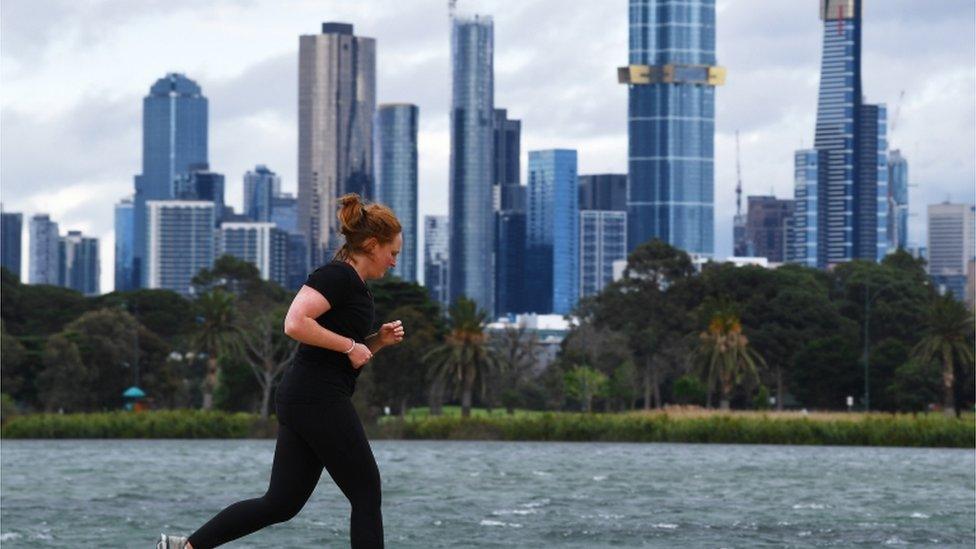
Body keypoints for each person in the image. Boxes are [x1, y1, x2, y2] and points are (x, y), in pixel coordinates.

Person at [157, 193, 405, 549]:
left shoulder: (355, 285)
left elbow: (341, 350)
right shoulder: (337, 275)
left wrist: (374, 341)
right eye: (392, 253)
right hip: (316, 398)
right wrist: (351, 346)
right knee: (366, 493)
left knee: (282, 503)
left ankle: (186, 548)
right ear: (371, 244)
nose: (394, 262)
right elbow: (294, 322)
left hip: (305, 396)